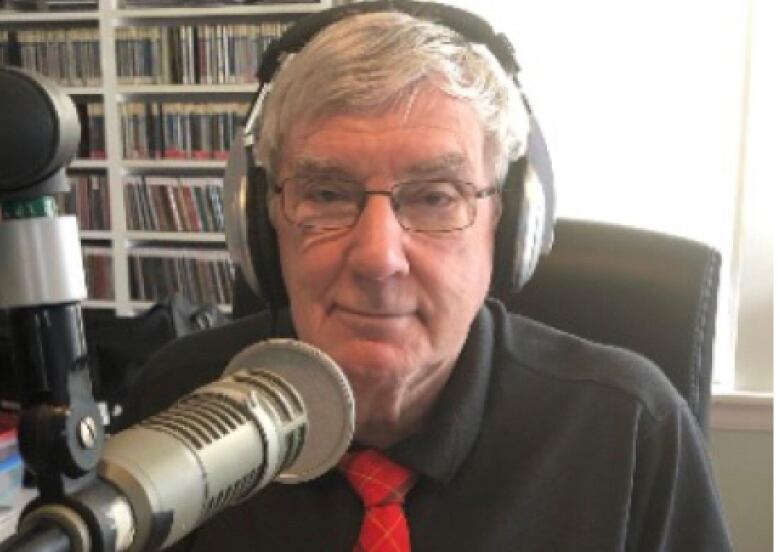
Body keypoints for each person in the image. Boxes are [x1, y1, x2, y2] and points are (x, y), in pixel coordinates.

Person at [135, 3, 732, 550]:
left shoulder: (630, 431)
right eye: (325, 193)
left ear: (506, 225)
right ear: (261, 224)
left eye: (434, 198)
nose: (378, 257)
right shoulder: (177, 406)